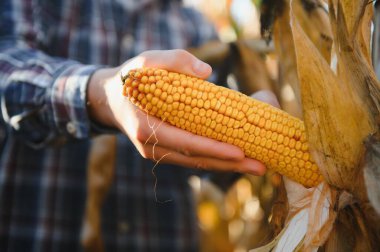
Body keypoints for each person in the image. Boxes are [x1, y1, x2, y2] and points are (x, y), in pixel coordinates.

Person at [0, 0, 276, 251]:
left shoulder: (197, 25)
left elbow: (211, 164)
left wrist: (252, 132)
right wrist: (101, 94)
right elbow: (7, 71)